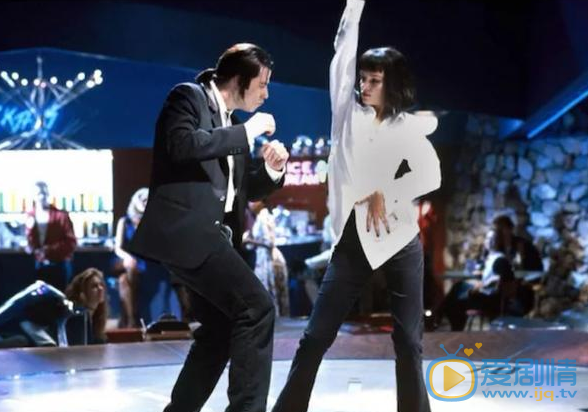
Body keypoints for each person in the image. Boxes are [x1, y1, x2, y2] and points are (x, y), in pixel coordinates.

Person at [272, 1, 441, 411]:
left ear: (392, 83)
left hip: (401, 241)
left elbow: (431, 174)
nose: (364, 86)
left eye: (374, 80)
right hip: (353, 241)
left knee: (409, 342)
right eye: (362, 78)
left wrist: (389, 191)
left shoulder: (406, 127)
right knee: (315, 337)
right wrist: (354, 6)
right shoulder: (346, 114)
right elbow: (344, 49)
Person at [129, 43, 289, 412]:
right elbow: (183, 145)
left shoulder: (231, 123)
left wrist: (271, 170)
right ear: (238, 79)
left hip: (212, 238)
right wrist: (246, 133)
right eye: (262, 84)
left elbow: (240, 191)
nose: (266, 94)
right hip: (187, 233)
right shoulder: (187, 97)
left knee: (219, 329)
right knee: (257, 309)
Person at [25, 181, 77, 292]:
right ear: (33, 196)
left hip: (60, 266)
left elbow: (71, 242)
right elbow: (30, 242)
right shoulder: (30, 216)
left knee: (60, 298)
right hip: (39, 265)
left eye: (44, 193)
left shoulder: (61, 216)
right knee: (40, 299)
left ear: (48, 194)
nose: (41, 197)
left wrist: (49, 250)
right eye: (38, 194)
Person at [244, 200, 289, 316]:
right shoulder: (259, 216)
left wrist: (250, 241)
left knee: (267, 292)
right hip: (262, 257)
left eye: (254, 201)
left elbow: (269, 242)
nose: (250, 204)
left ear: (262, 202)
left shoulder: (264, 216)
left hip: (267, 258)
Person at [113, 187, 149, 327]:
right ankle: (132, 318)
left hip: (143, 262)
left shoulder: (150, 221)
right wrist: (127, 257)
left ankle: (129, 318)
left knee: (123, 282)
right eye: (143, 200)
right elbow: (118, 247)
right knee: (129, 268)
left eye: (147, 200)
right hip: (125, 259)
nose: (145, 203)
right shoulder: (124, 221)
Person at [65, 268, 108, 344]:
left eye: (101, 285)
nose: (100, 288)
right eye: (94, 286)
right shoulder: (74, 320)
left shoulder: (97, 319)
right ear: (82, 293)